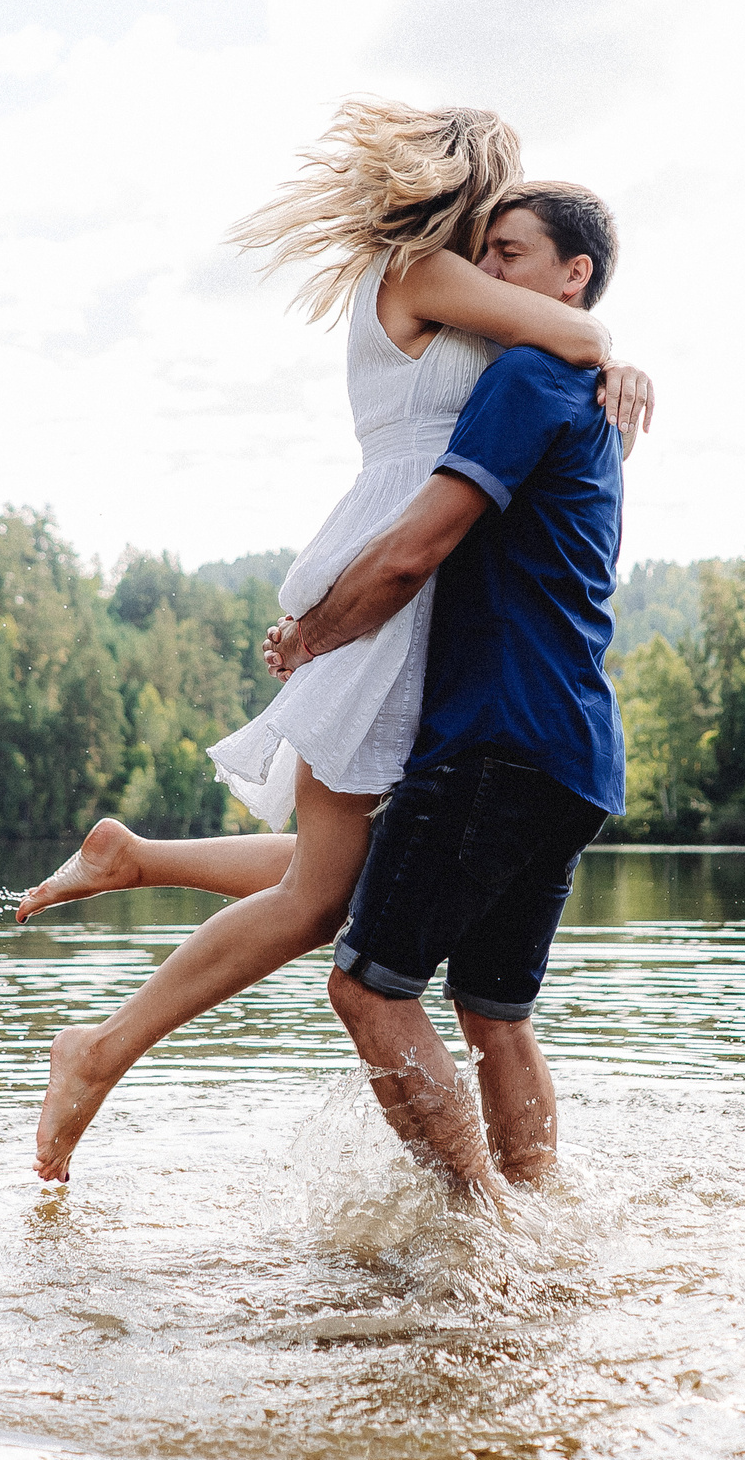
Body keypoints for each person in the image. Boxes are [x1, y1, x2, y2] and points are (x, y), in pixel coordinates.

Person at [16, 103, 650, 1183]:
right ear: (470, 185)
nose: (494, 249)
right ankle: (101, 1049)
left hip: (420, 583)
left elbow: (568, 358)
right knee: (324, 900)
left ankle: (135, 864)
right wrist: (617, 358)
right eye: (492, 225)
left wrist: (609, 376)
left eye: (514, 242)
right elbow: (580, 333)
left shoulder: (466, 303)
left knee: (344, 875)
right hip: (387, 565)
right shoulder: (418, 270)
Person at [267, 218, 628, 1196]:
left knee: (367, 987)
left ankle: (484, 1233)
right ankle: (542, 1214)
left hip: (494, 741)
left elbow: (410, 549)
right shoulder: (593, 399)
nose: (484, 272)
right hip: (577, 756)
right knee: (494, 1013)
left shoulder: (520, 380)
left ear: (573, 273)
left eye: (506, 253)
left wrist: (306, 640)